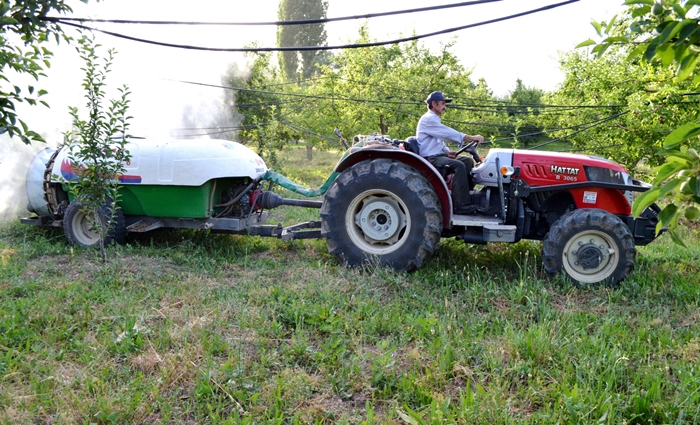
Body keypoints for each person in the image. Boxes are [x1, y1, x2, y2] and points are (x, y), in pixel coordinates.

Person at [416, 91, 484, 214]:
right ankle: (460, 205)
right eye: (442, 104)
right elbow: (448, 133)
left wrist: (447, 152)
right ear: (434, 104)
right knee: (459, 165)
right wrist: (472, 137)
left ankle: (464, 195)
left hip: (439, 155)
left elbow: (439, 141)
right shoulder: (428, 119)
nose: (445, 107)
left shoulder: (434, 120)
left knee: (468, 161)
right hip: (431, 158)